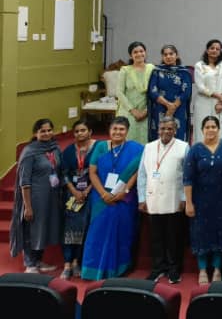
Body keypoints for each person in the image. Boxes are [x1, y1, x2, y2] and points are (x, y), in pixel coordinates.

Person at [80, 116, 144, 280]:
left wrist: (125, 191)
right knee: (97, 233)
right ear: (109, 130)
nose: (118, 132)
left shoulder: (136, 149)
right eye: (115, 129)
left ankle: (118, 269)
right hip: (100, 199)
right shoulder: (100, 147)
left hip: (124, 198)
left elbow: (136, 172)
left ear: (127, 131)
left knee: (122, 232)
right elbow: (92, 172)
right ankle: (93, 270)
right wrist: (103, 193)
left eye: (122, 129)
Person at [183, 115, 222, 285]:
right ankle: (203, 270)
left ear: (219, 129)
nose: (211, 130)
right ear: (202, 130)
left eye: (214, 127)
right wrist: (189, 203)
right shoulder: (195, 150)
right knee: (200, 234)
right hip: (200, 201)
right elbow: (188, 178)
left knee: (221, 233)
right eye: (207, 127)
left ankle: (218, 269)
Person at [137, 116, 189, 284]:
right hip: (153, 198)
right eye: (163, 128)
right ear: (158, 130)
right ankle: (158, 268)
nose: (166, 131)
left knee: (174, 237)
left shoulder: (183, 147)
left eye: (170, 129)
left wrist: (184, 198)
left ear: (175, 130)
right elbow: (142, 174)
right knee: (156, 237)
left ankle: (174, 269)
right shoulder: (149, 147)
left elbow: (187, 175)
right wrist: (141, 198)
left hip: (174, 198)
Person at [9, 119, 63, 274]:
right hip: (34, 198)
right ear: (35, 133)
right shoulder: (29, 151)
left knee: (43, 229)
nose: (47, 133)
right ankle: (30, 263)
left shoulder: (54, 148)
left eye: (49, 130)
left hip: (51, 198)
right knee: (31, 230)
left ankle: (38, 261)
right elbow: (24, 181)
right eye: (42, 131)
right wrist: (27, 206)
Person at [59, 119, 97, 279]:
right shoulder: (68, 151)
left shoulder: (98, 148)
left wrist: (87, 190)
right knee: (69, 228)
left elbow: (100, 172)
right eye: (76, 131)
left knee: (84, 227)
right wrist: (74, 191)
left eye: (83, 130)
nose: (79, 133)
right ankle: (67, 263)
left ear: (90, 132)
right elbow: (64, 173)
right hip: (71, 194)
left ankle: (76, 262)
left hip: (91, 192)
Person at [148, 44, 193, 142]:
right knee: (160, 136)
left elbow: (186, 92)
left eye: (171, 54)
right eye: (165, 54)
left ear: (177, 55)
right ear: (162, 57)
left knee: (178, 136)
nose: (168, 56)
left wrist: (173, 107)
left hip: (179, 109)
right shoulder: (156, 71)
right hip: (160, 109)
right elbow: (152, 91)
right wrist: (168, 105)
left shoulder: (184, 72)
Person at [116, 41, 154, 143]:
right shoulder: (125, 70)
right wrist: (133, 110)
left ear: (145, 53)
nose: (139, 54)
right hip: (128, 111)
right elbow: (119, 92)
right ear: (131, 55)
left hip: (146, 112)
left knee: (145, 142)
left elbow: (155, 91)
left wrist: (145, 111)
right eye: (135, 52)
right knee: (127, 142)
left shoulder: (152, 69)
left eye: (141, 51)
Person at [193, 39, 222, 142]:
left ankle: (218, 150)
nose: (214, 50)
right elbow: (200, 86)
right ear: (207, 50)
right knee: (202, 128)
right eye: (212, 48)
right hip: (203, 102)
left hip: (219, 103)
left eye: (217, 49)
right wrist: (217, 95)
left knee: (219, 129)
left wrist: (221, 101)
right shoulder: (199, 65)